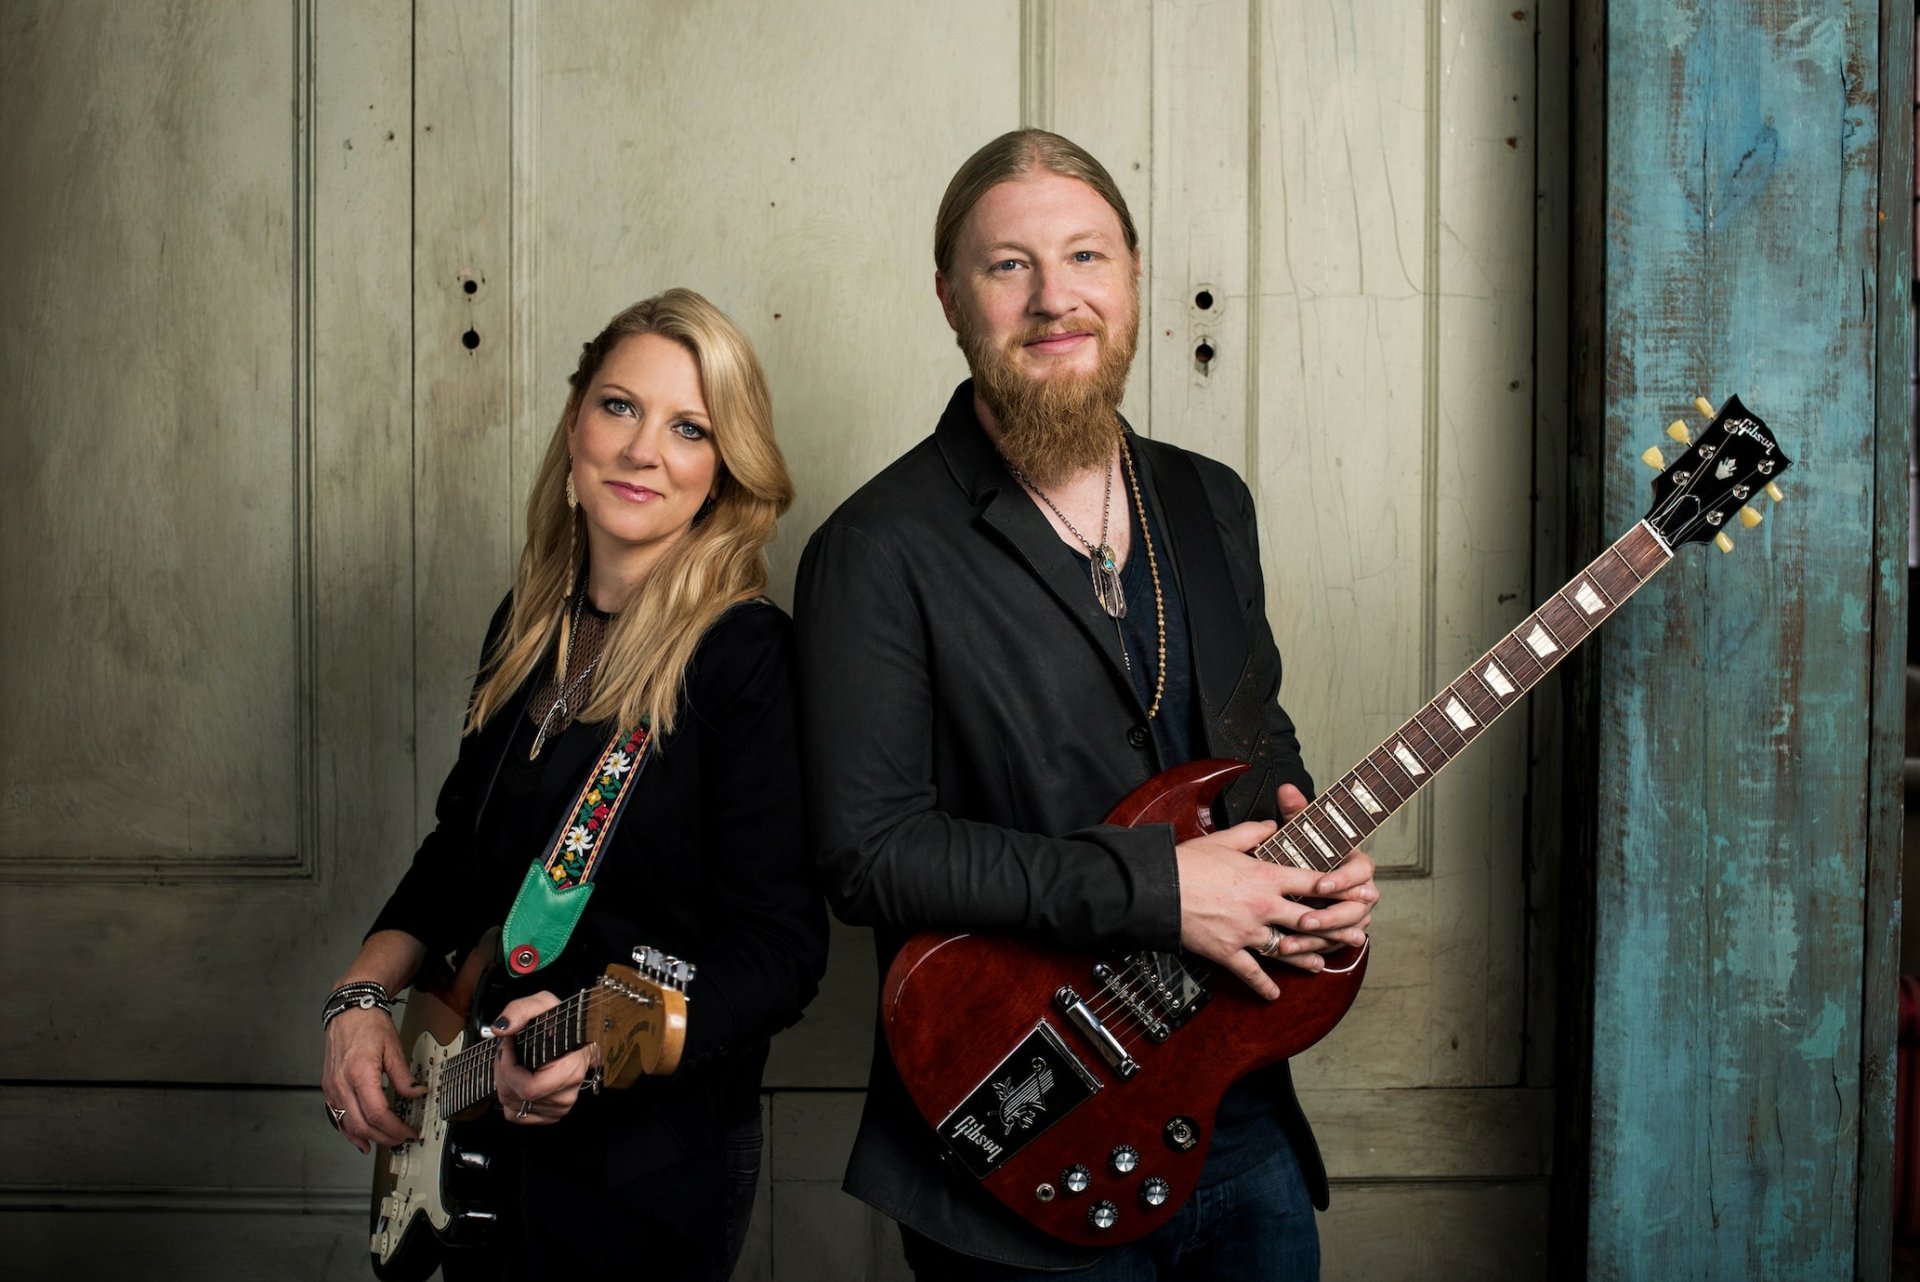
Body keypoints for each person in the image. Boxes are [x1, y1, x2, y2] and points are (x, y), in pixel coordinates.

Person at [794, 131, 1379, 1279]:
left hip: (1236, 1100)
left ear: (1135, 275)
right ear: (950, 299)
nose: (1055, 299)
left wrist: (1317, 869)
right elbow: (866, 854)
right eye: (1009, 265)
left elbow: (1258, 745)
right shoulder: (875, 549)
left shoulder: (1210, 500)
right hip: (1027, 1123)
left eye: (1085, 256)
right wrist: (1159, 889)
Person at [321, 288, 827, 1279]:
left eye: (690, 427)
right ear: (574, 422)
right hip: (473, 1127)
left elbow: (782, 951)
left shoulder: (743, 657)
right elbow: (454, 859)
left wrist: (592, 1050)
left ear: (723, 472)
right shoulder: (530, 625)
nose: (645, 451)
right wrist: (357, 1000)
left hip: (646, 1172)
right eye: (620, 407)